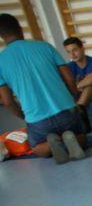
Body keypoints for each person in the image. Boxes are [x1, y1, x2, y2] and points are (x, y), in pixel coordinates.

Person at [0, 14, 85, 163]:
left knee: (37, 148)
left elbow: (7, 101)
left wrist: (25, 117)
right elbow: (70, 79)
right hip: (66, 111)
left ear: (1, 36)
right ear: (20, 29)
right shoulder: (45, 46)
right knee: (82, 137)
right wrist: (73, 99)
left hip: (38, 119)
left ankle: (51, 144)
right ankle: (70, 138)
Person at [62, 36, 92, 128]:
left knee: (91, 83)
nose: (72, 55)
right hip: (82, 101)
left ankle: (78, 114)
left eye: (75, 50)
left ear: (82, 48)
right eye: (69, 52)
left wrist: (77, 86)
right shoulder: (69, 66)